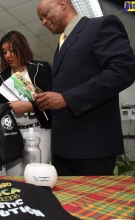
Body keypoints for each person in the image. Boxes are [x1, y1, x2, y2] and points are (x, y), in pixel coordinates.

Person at [36, 0, 135, 176]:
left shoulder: (100, 26)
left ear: (62, 3)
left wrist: (67, 98)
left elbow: (123, 70)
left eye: (45, 14)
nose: (43, 22)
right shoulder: (60, 46)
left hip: (92, 151)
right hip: (62, 152)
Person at [0, 30, 52, 176]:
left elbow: (53, 100)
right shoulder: (1, 76)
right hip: (13, 134)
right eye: (4, 52)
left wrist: (30, 106)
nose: (7, 56)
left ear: (22, 47)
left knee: (37, 176)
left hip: (40, 131)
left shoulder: (40, 68)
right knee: (14, 177)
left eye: (11, 50)